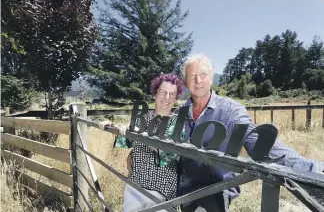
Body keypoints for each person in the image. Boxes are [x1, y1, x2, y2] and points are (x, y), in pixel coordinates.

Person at [176, 54, 324, 212]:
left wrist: (313, 170)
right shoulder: (179, 113)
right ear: (185, 82)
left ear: (211, 77)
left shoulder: (230, 111)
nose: (198, 81)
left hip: (214, 189)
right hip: (182, 187)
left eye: (203, 75)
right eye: (192, 76)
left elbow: (260, 144)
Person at [99, 73, 184, 212]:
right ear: (155, 93)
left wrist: (140, 135)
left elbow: (171, 154)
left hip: (163, 192)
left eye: (172, 94)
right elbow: (125, 140)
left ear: (176, 99)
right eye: (163, 92)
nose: (167, 97)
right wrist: (113, 126)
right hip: (136, 187)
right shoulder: (141, 119)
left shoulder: (178, 124)